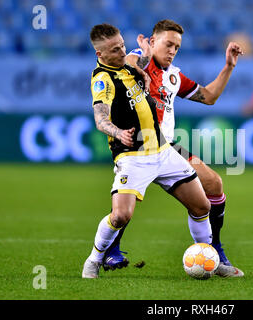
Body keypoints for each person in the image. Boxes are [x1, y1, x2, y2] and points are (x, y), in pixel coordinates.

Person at [103, 19, 245, 277]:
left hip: (168, 148)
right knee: (126, 204)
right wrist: (143, 56)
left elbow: (209, 97)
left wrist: (228, 67)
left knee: (213, 183)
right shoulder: (138, 58)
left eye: (177, 47)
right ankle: (110, 249)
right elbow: (129, 65)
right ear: (152, 41)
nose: (172, 50)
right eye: (168, 44)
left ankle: (214, 250)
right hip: (138, 147)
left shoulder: (173, 76)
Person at [82, 23, 214, 278]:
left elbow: (139, 58)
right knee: (121, 215)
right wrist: (118, 132)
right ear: (100, 55)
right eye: (114, 49)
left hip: (163, 152)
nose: (121, 52)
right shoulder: (103, 79)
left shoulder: (130, 66)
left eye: (122, 45)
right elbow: (100, 118)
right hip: (133, 157)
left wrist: (142, 52)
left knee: (201, 206)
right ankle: (93, 260)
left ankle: (207, 256)